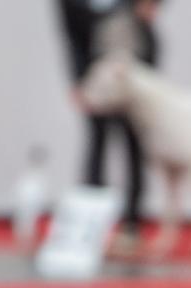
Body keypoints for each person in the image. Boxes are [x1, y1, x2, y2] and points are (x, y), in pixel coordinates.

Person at [56, 0, 163, 255]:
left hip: (136, 70)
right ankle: (91, 227)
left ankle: (132, 225)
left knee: (134, 148)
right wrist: (78, 81)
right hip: (97, 74)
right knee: (97, 145)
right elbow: (72, 38)